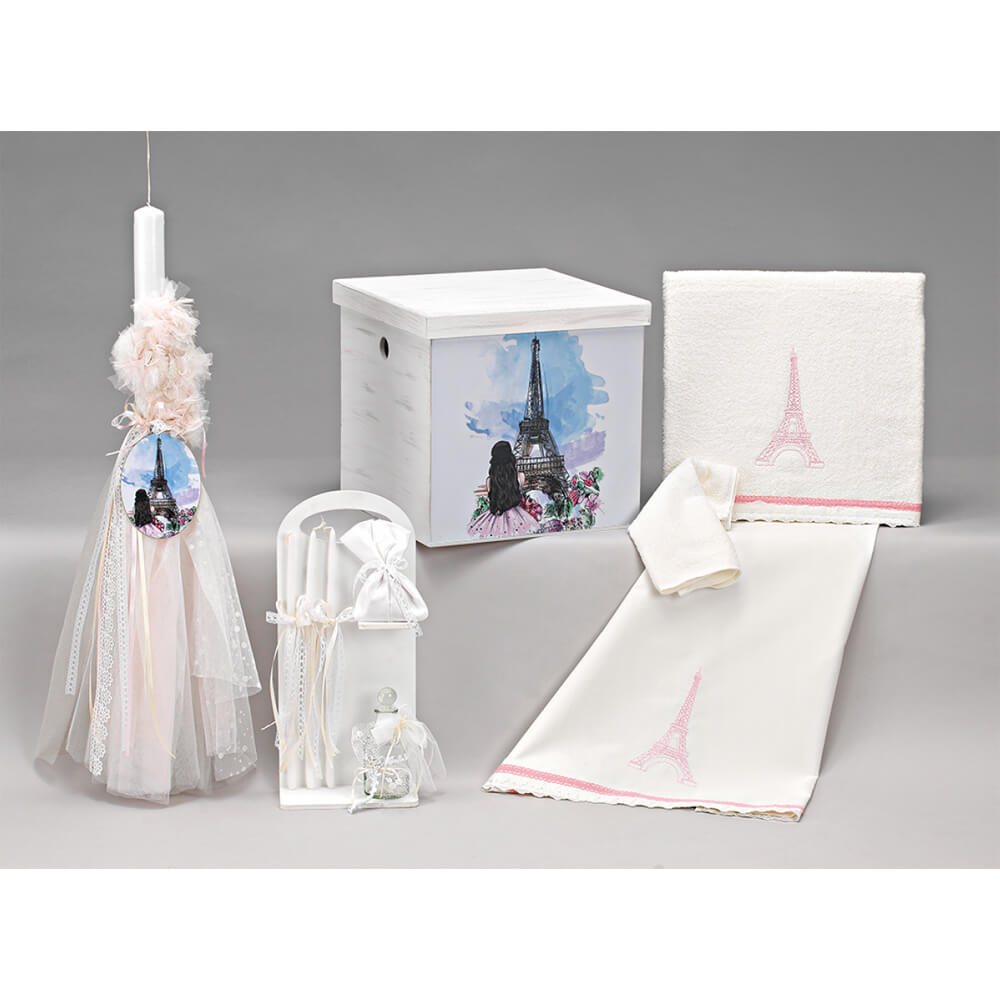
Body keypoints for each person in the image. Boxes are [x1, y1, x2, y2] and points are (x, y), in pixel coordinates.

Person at [468, 440, 538, 539]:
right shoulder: (520, 477)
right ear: (511, 458)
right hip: (517, 517)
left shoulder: (489, 481)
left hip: (494, 516)